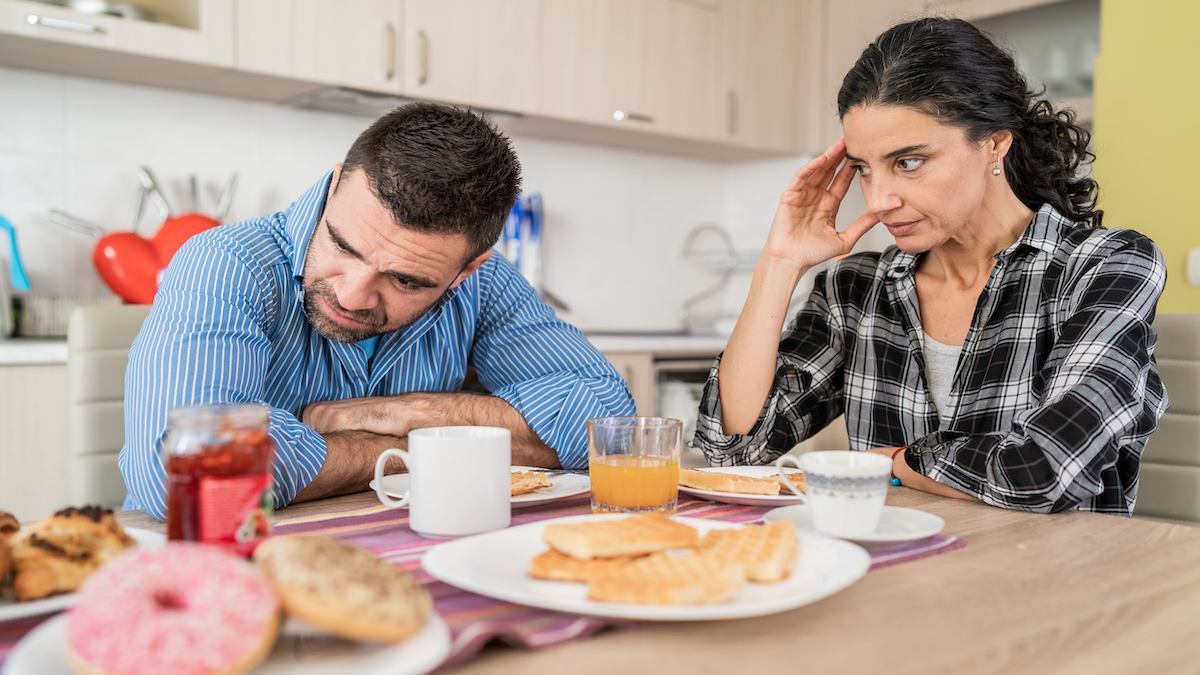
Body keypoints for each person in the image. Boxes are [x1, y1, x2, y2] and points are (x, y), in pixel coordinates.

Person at [694, 17, 1167, 515]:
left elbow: (1043, 470)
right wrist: (780, 262)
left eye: (909, 162)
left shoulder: (1106, 267)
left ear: (994, 144)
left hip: (1049, 583)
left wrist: (895, 463)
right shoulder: (856, 288)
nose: (879, 200)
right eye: (862, 168)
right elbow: (736, 450)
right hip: (895, 574)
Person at [121, 102, 635, 520]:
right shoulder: (227, 262)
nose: (352, 296)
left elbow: (611, 426)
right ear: (337, 183)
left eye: (405, 280)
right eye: (343, 245)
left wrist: (413, 414)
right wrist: (420, 449)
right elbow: (185, 472)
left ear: (466, 270)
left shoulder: (486, 284)